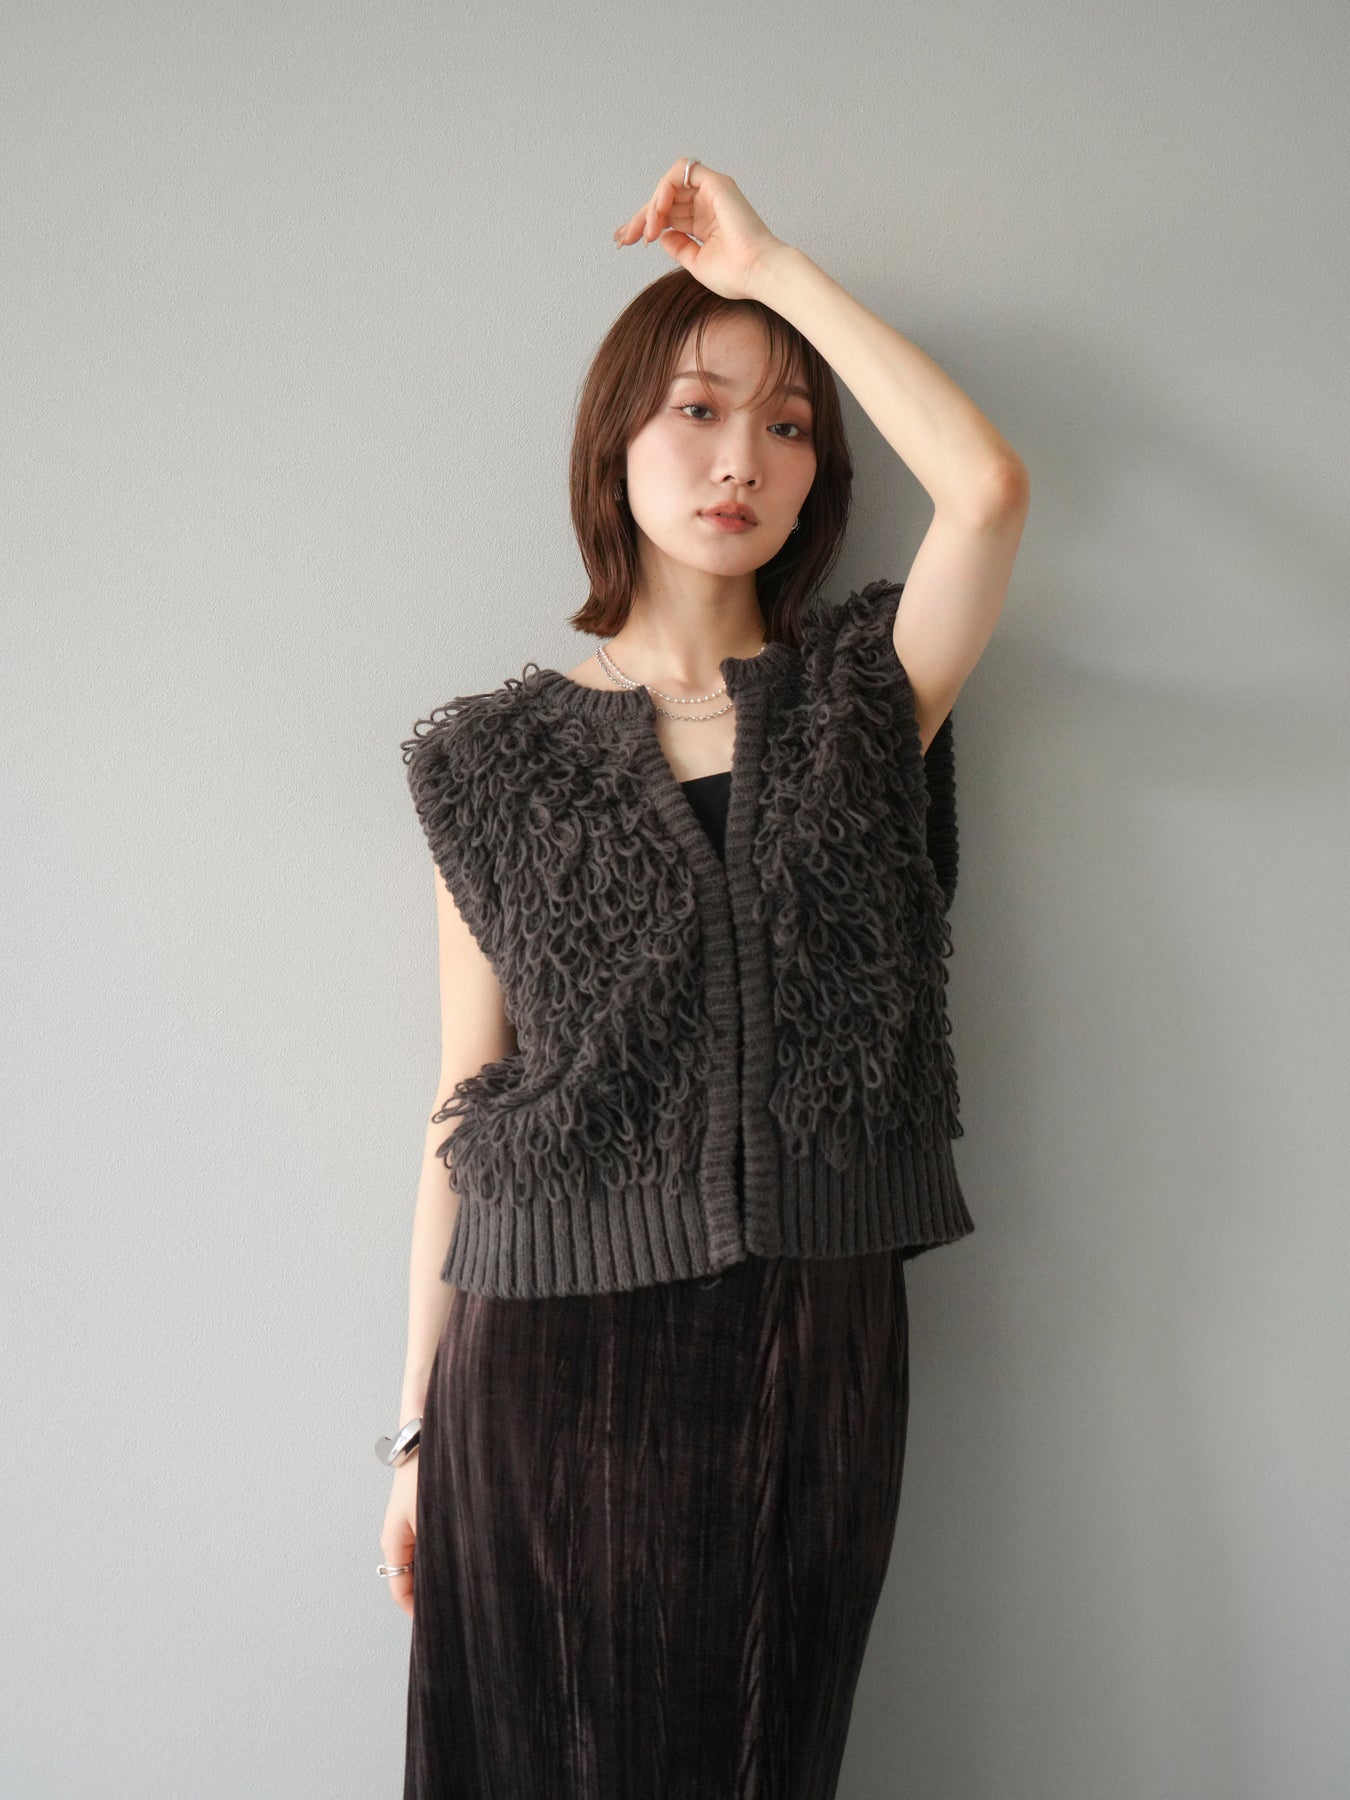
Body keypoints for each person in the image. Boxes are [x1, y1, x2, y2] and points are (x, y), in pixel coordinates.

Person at [382, 158, 1029, 1799]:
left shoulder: (864, 700)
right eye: (694, 409)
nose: (741, 457)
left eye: (787, 426)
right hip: (537, 1354)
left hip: (806, 1339)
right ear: (615, 443)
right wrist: (412, 1430)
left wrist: (771, 267)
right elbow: (465, 1103)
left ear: (819, 477)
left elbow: (985, 490)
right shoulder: (491, 763)